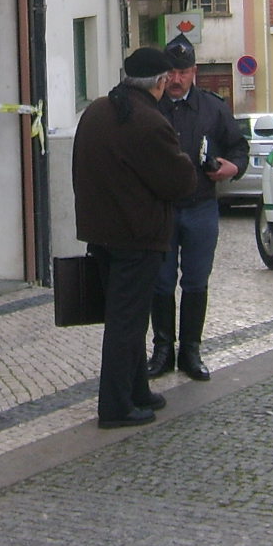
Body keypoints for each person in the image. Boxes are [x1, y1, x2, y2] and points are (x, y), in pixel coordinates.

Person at [72, 46, 200, 428]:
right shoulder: (148, 122)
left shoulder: (97, 110)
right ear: (161, 82)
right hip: (137, 236)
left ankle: (137, 390)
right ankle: (115, 406)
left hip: (102, 233)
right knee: (126, 324)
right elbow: (180, 182)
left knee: (126, 318)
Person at [149, 34, 249, 382]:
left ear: (194, 72)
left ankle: (190, 349)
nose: (176, 81)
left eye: (184, 73)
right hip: (161, 209)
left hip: (201, 205)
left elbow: (239, 148)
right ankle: (162, 349)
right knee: (160, 282)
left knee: (195, 281)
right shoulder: (151, 105)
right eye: (171, 73)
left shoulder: (213, 107)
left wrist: (232, 168)